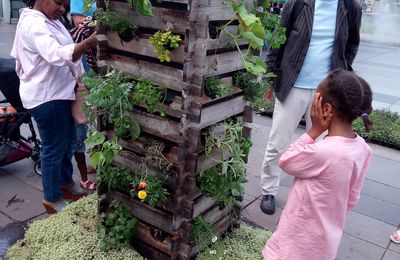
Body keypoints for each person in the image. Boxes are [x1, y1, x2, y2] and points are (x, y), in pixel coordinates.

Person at [260, 0, 362, 215]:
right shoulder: (297, 3)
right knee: (278, 142)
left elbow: (352, 44)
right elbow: (278, 41)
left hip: (326, 93)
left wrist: (341, 71)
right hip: (293, 85)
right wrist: (270, 77)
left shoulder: (351, 7)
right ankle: (268, 190)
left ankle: (303, 196)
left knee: (316, 150)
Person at [262, 69, 373, 260]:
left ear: (327, 109)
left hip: (296, 241)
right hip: (325, 242)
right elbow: (352, 198)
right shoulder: (362, 149)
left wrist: (313, 131)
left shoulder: (324, 151)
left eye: (316, 98)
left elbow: (287, 160)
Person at [11, 0, 97, 214]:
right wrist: (89, 42)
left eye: (65, 5)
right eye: (59, 3)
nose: (62, 9)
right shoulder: (33, 24)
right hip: (47, 98)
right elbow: (56, 54)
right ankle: (52, 198)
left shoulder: (50, 19)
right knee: (54, 148)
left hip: (60, 93)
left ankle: (66, 184)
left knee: (65, 144)